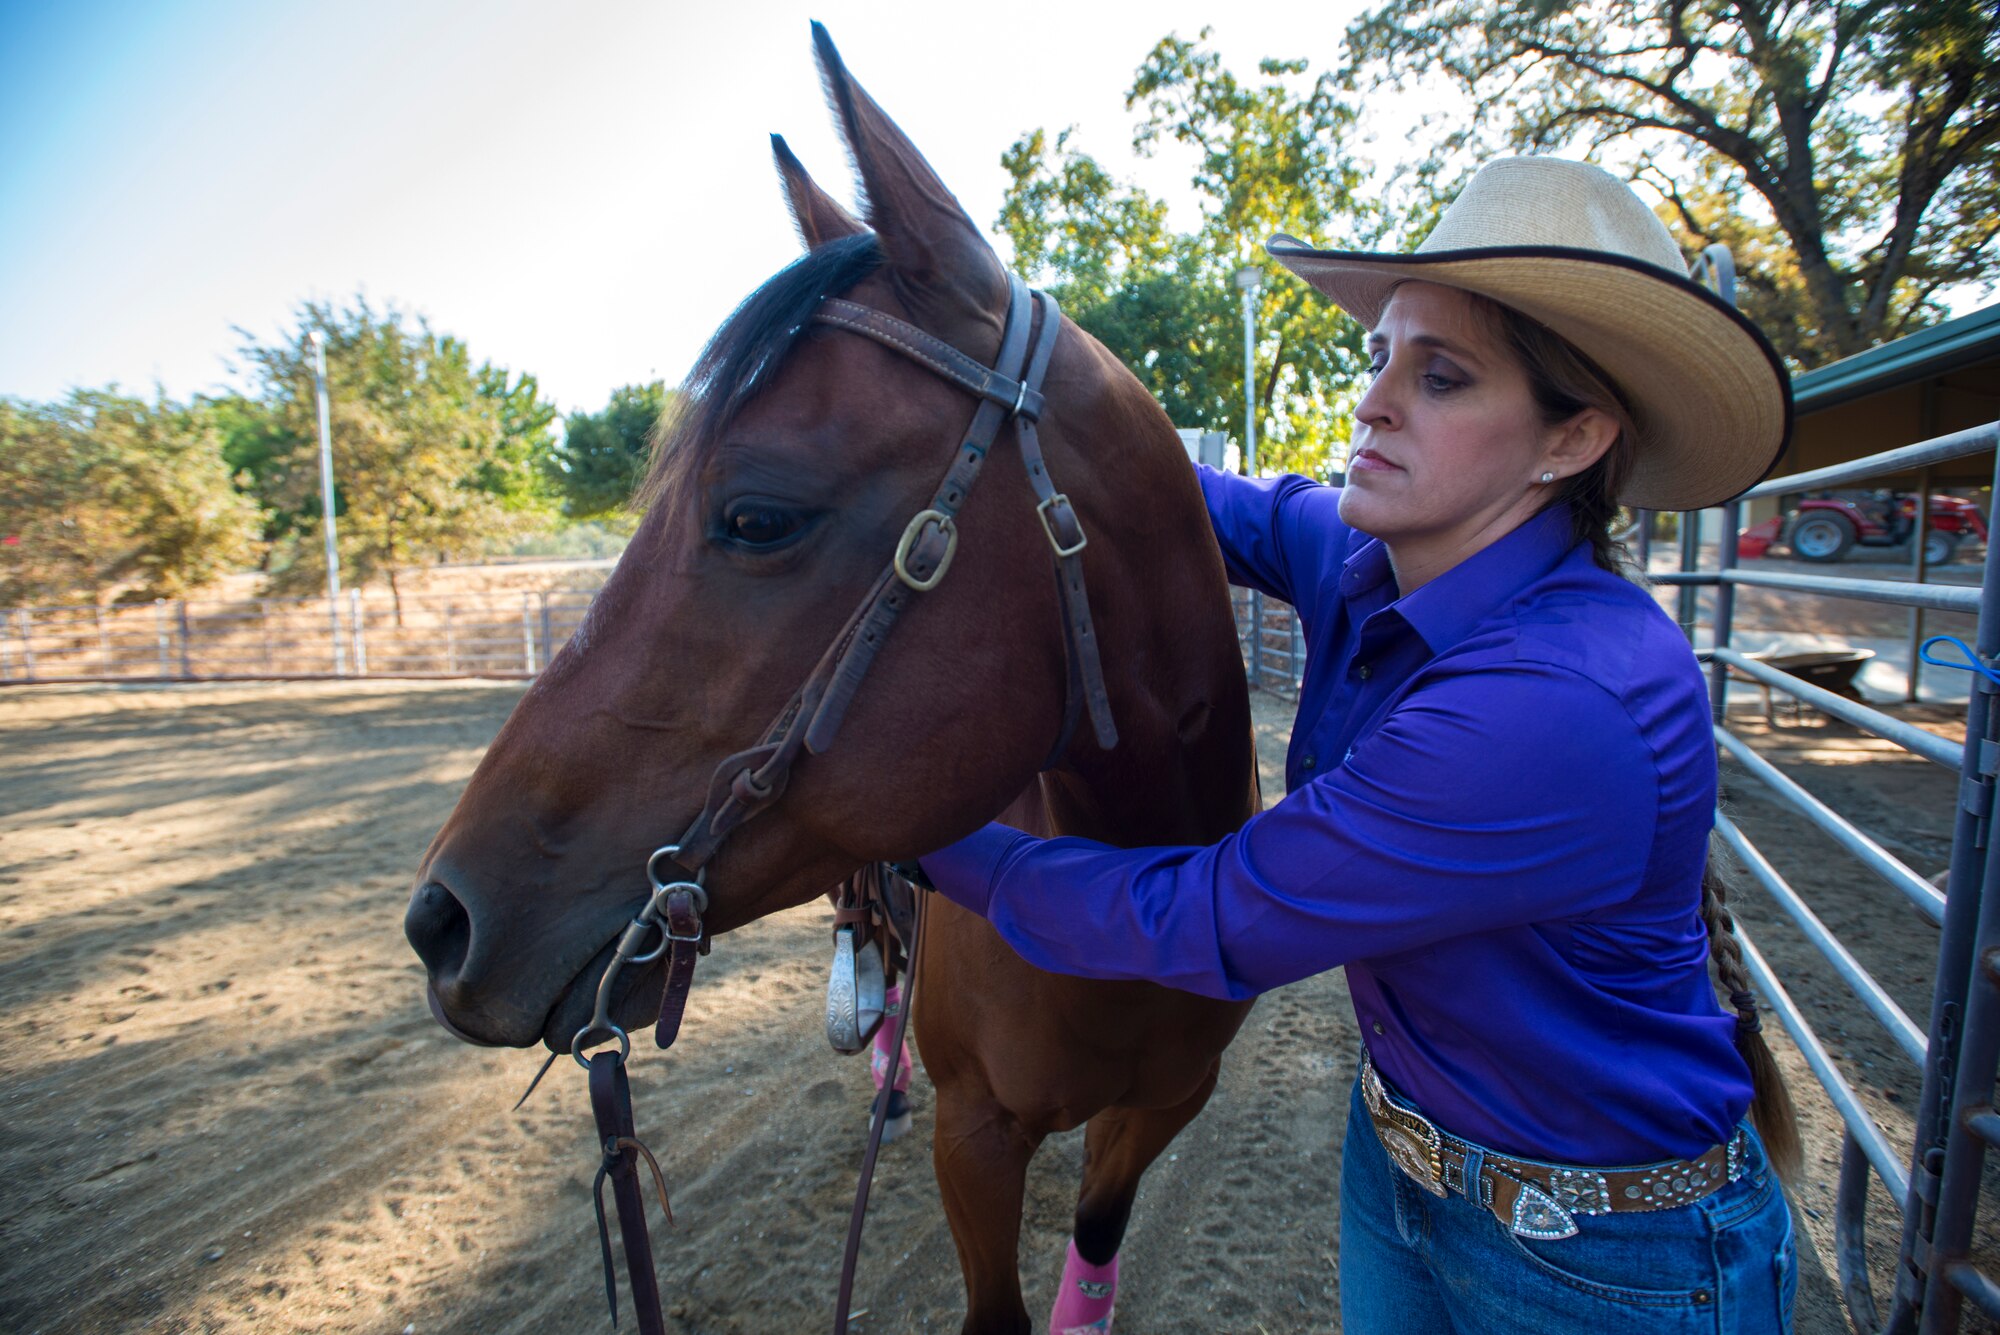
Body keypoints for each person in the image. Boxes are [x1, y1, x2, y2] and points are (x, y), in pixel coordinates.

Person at [917, 157, 1803, 1334]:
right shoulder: (1363, 557)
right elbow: (1176, 492)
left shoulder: (1554, 703)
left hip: (1603, 1259)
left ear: (1572, 437)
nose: (1373, 402)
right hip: (1402, 1162)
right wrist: (981, 414)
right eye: (1379, 356)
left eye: (1439, 378)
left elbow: (1215, 915)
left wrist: (933, 841)